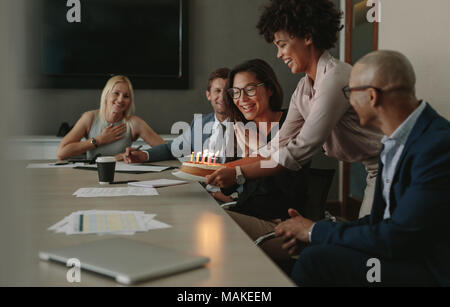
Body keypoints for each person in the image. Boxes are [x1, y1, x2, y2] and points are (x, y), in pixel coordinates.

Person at [275, 50, 450, 286]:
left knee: (315, 262)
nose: (348, 100)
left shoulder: (437, 146)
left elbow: (398, 238)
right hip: (397, 255)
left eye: (349, 92)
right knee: (316, 254)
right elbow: (377, 223)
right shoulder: (393, 141)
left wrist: (315, 232)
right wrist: (316, 232)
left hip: (425, 271)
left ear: (371, 97)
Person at [206, 0, 382, 217]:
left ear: (307, 36)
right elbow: (277, 146)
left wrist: (239, 172)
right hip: (374, 168)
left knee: (374, 240)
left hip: (395, 161)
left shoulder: (336, 78)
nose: (279, 54)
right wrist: (221, 169)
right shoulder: (303, 88)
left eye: (282, 44)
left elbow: (298, 151)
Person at [217, 59, 310, 263]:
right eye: (235, 92)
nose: (242, 99)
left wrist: (256, 146)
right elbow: (229, 187)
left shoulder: (291, 123)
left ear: (269, 89)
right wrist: (224, 177)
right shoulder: (241, 128)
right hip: (248, 214)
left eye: (249, 89)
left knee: (213, 223)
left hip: (281, 225)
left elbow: (286, 183)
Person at [124, 67, 231, 165]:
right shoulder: (200, 124)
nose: (222, 97)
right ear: (208, 95)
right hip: (201, 184)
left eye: (227, 91)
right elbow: (171, 149)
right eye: (217, 91)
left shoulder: (245, 125)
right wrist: (143, 155)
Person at [56, 75, 164, 161]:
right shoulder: (89, 118)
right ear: (106, 95)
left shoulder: (134, 123)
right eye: (116, 93)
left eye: (126, 96)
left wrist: (140, 155)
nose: (121, 99)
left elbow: (166, 150)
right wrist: (99, 140)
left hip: (123, 176)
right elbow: (61, 153)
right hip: (92, 176)